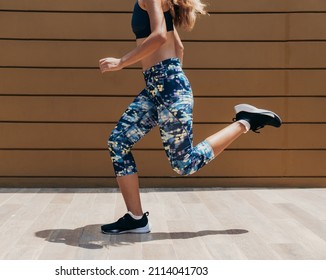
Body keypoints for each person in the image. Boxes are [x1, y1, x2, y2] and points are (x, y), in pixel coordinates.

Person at [99, 0, 282, 234]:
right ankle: (136, 218)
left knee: (185, 164)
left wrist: (121, 62)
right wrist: (169, 80)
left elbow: (159, 37)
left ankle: (246, 121)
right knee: (118, 142)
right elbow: (179, 47)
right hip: (159, 87)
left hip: (168, 88)